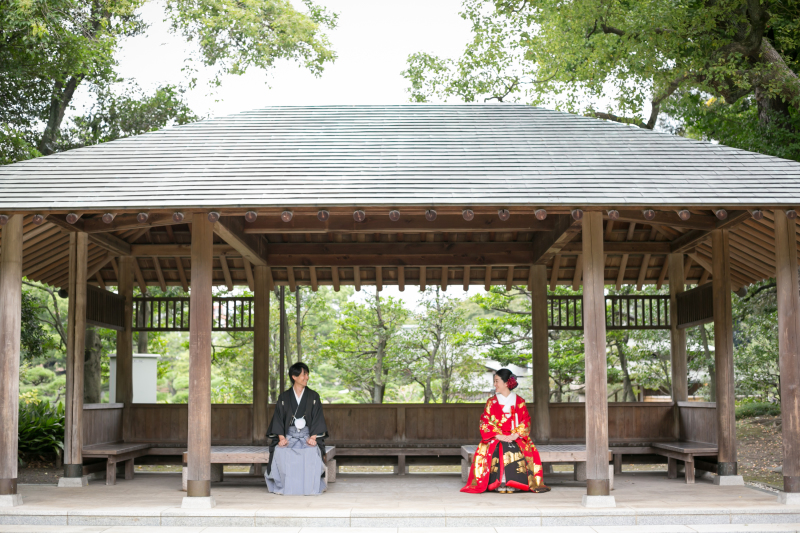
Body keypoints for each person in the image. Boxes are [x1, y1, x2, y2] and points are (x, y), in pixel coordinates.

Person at [461, 369, 550, 494]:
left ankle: (514, 482)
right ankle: (500, 482)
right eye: (494, 381)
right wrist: (498, 435)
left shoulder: (519, 401)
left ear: (506, 383)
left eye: (497, 381)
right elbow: (485, 421)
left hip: (516, 435)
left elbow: (525, 420)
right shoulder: (491, 402)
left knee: (515, 448)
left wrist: (515, 434)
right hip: (496, 436)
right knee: (498, 447)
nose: (495, 384)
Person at [265, 362, 329, 495]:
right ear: (294, 377)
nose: (307, 377)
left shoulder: (313, 396)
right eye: (304, 374)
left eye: (307, 374)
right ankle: (284, 486)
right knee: (280, 451)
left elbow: (318, 417)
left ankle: (309, 487)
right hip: (289, 435)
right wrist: (281, 438)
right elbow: (278, 418)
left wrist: (313, 437)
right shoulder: (284, 397)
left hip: (307, 435)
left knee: (312, 452)